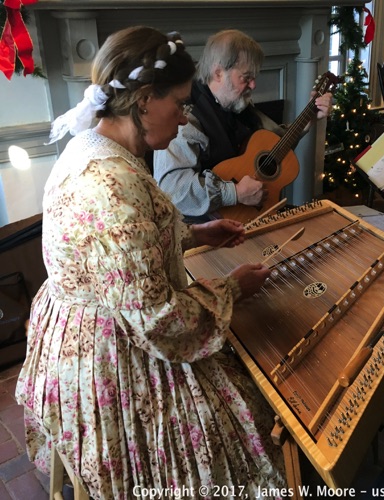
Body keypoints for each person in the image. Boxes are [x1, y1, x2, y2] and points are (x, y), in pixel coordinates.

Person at [15, 26, 286, 499]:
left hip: (76, 328)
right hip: (109, 357)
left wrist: (192, 233)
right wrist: (231, 290)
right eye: (179, 103)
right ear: (143, 100)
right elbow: (159, 319)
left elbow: (116, 251)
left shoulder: (90, 147)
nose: (184, 118)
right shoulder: (113, 185)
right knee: (249, 416)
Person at [154, 29, 333, 223]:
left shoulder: (237, 104)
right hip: (201, 229)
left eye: (254, 77)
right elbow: (173, 191)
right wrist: (236, 193)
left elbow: (274, 151)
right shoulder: (187, 121)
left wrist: (307, 121)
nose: (253, 85)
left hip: (247, 218)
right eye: (246, 77)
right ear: (218, 73)